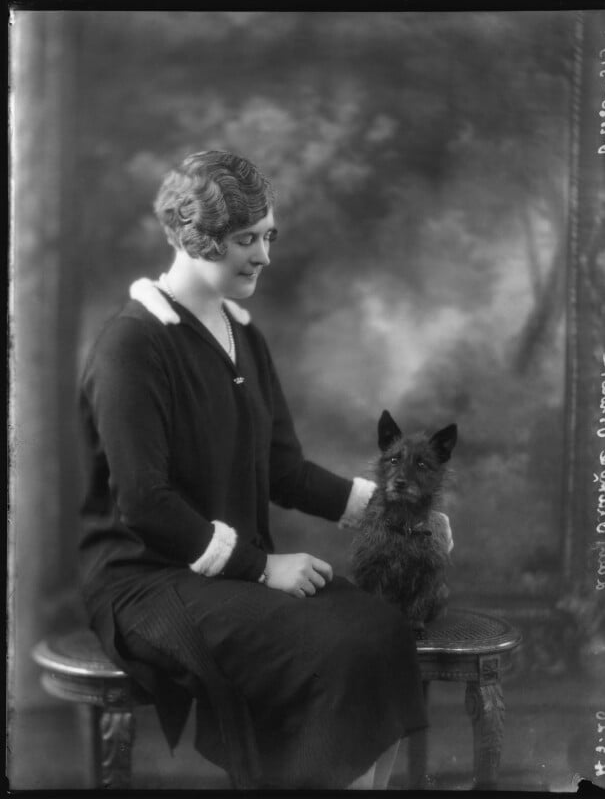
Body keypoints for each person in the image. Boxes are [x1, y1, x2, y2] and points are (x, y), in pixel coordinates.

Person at [79, 150, 451, 789]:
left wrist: (399, 509)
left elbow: (283, 469)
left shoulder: (243, 336)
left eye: (268, 237)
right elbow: (144, 502)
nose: (264, 256)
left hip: (222, 575)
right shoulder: (133, 343)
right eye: (246, 239)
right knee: (336, 648)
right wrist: (262, 568)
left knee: (379, 629)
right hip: (145, 581)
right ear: (197, 236)